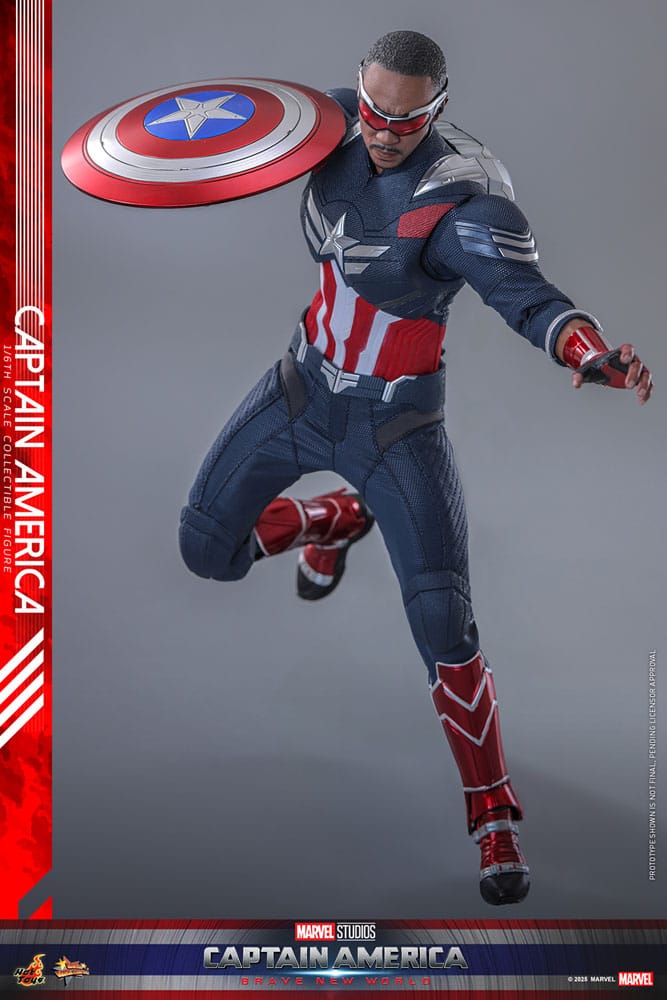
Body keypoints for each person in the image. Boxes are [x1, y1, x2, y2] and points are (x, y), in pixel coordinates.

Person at [178, 30, 653, 905]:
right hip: (297, 388)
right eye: (372, 110)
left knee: (444, 625)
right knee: (206, 549)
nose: (383, 132)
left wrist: (587, 353)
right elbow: (217, 135)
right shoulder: (329, 124)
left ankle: (494, 815)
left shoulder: (462, 199)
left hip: (395, 427)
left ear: (436, 109)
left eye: (405, 119)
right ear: (356, 91)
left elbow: (525, 295)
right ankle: (328, 520)